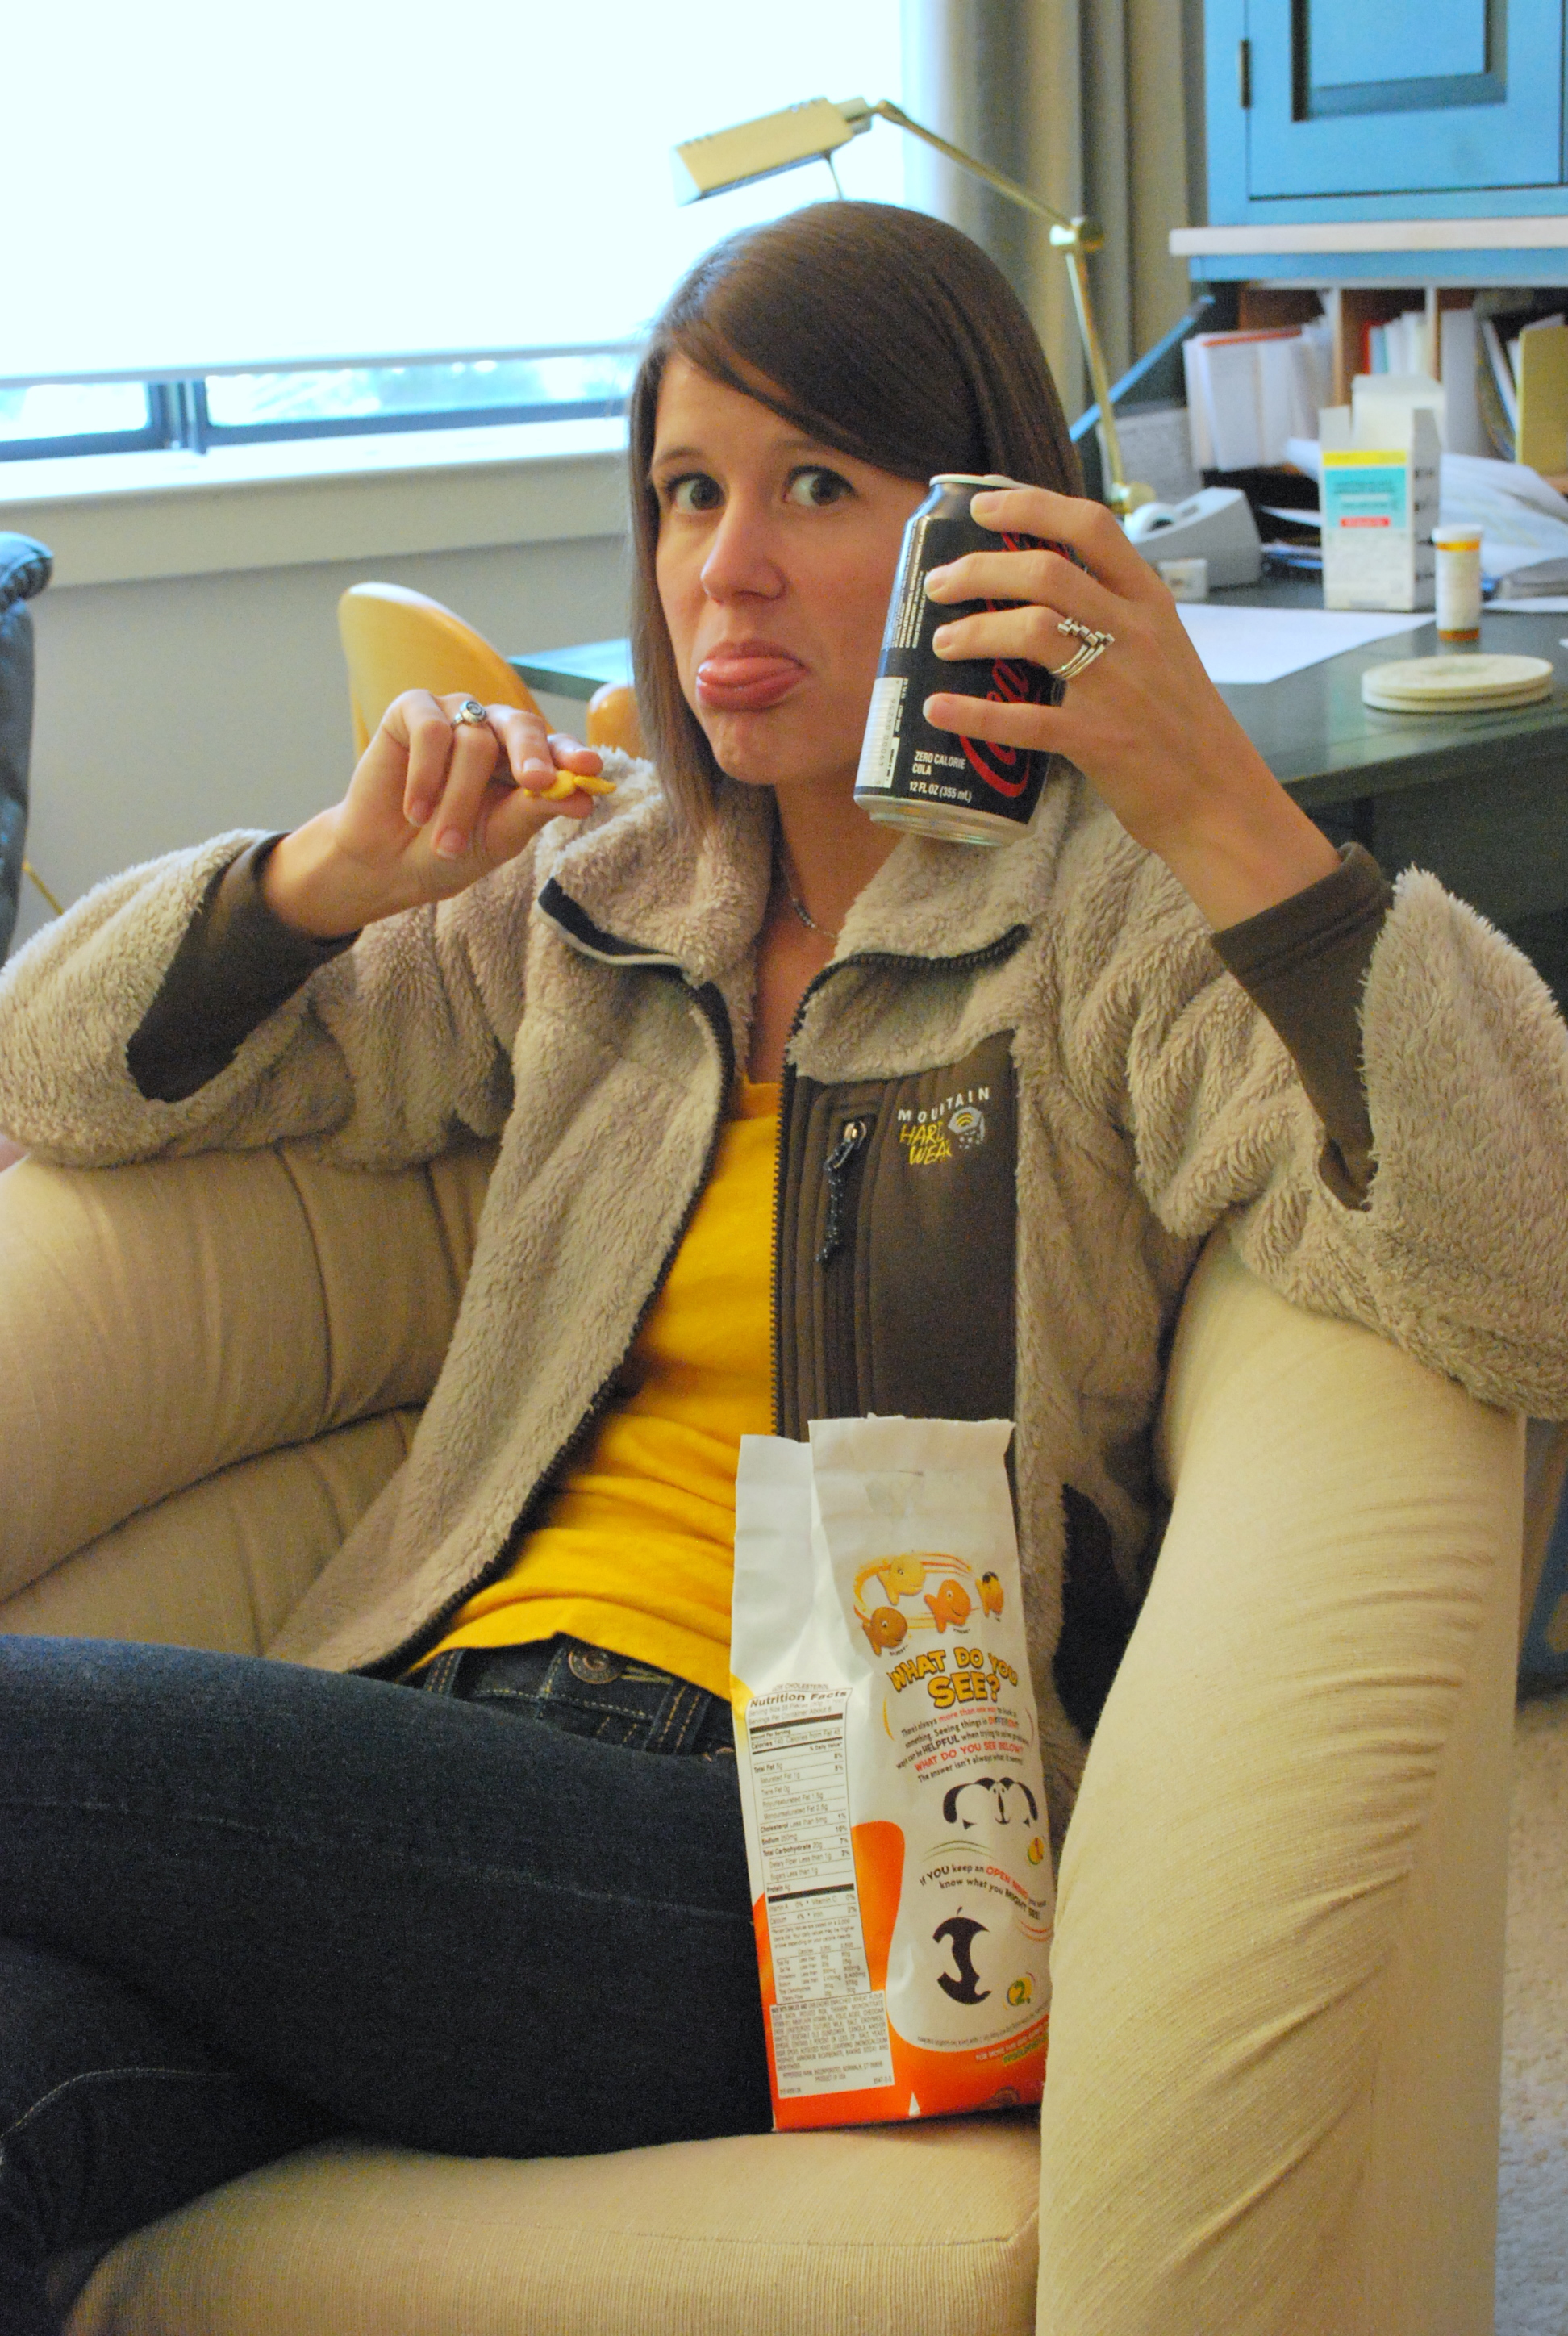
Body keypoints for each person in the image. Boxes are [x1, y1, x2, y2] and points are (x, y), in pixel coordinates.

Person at [1, 199, 1566, 2327]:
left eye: (817, 485)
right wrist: (319, 876)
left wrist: (1216, 798)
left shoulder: (1115, 934)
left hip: (817, 1854)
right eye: (686, 491)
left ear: (997, 535)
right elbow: (56, 1079)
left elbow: (1519, 1276)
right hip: (438, 1755)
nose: (725, 569)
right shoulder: (594, 894)